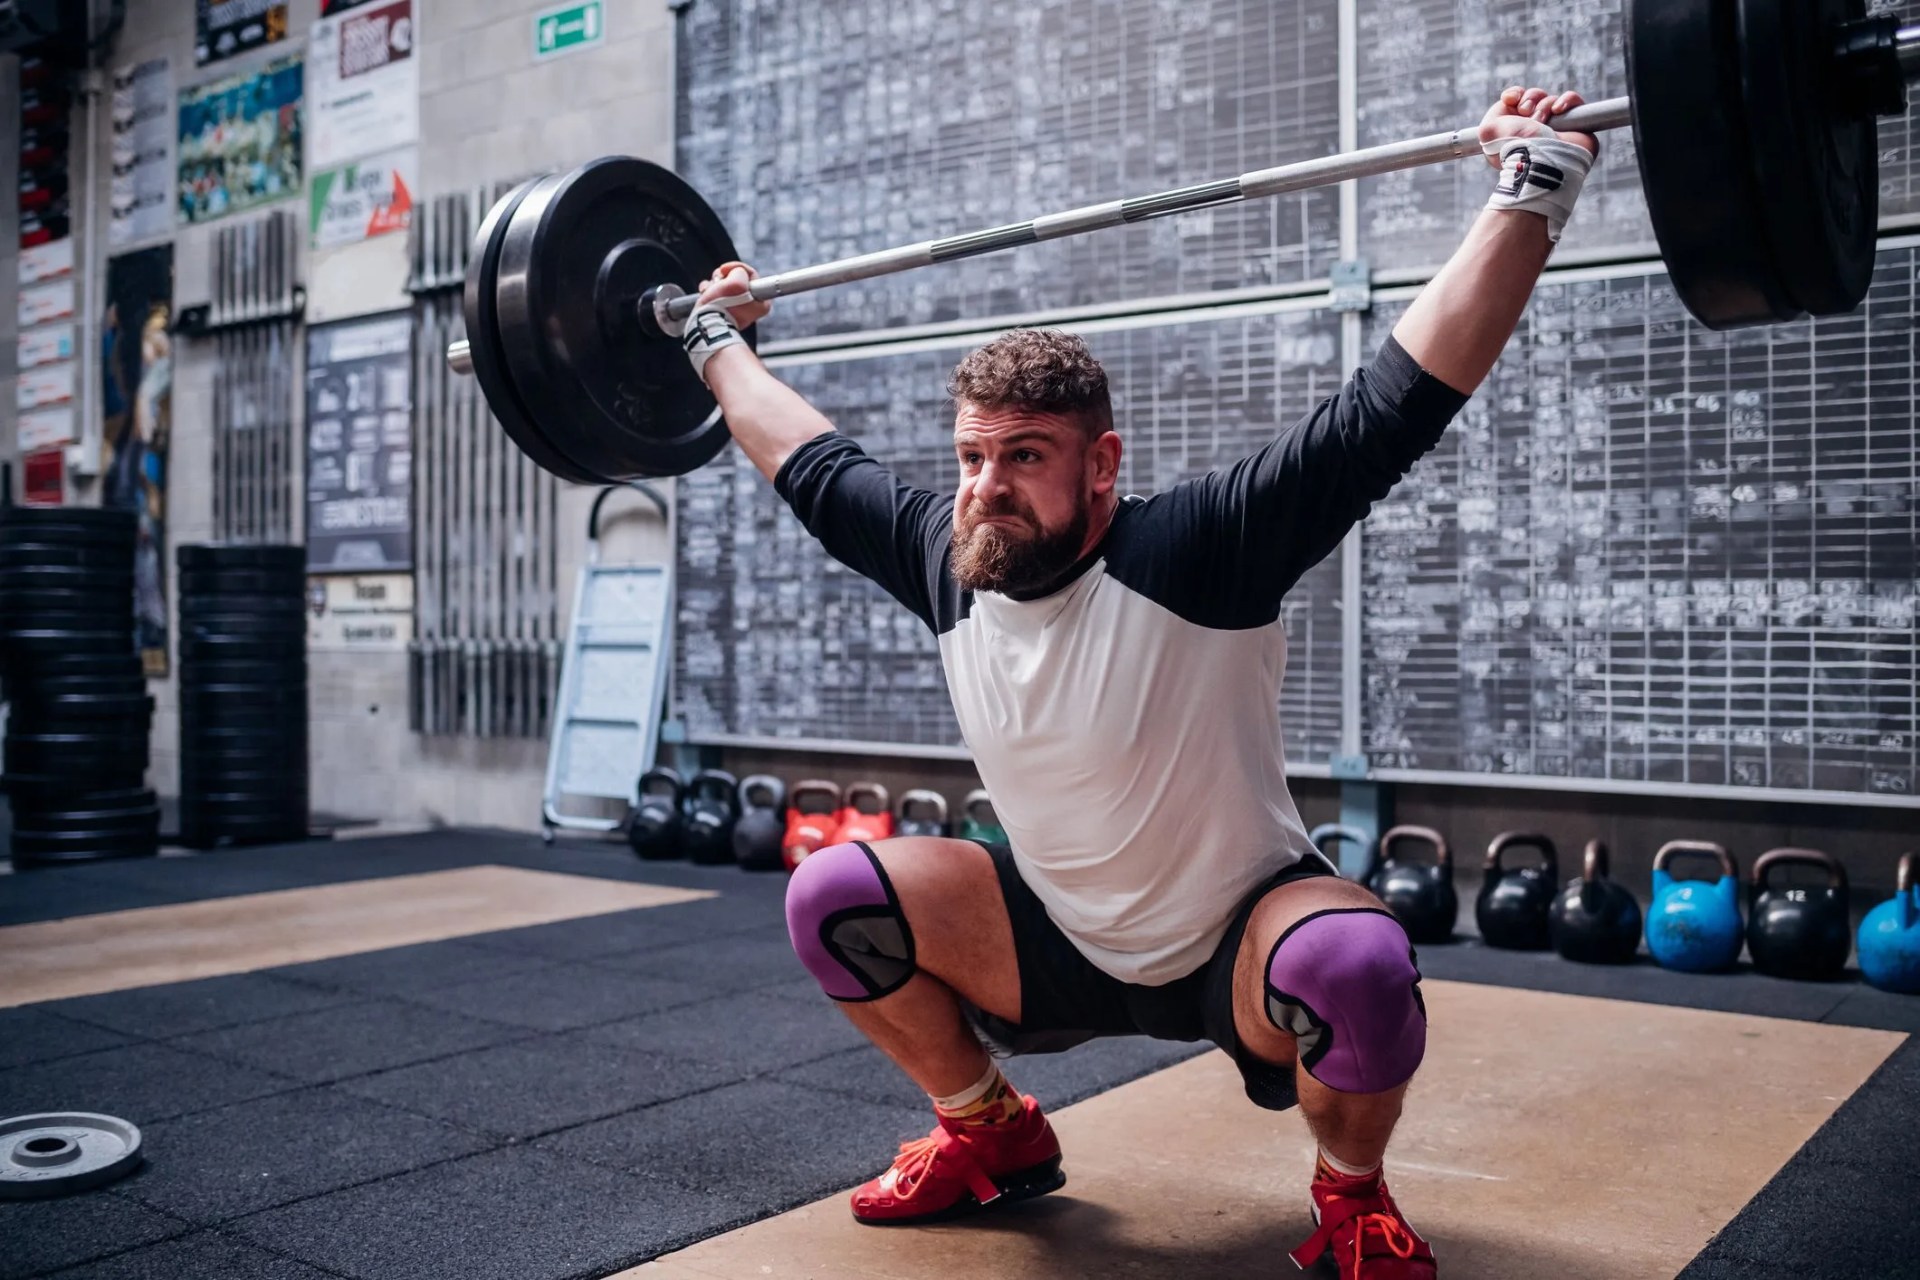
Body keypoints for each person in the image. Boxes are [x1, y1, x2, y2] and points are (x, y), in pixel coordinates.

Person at [666, 86, 1598, 1279]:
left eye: (1024, 457)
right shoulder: (947, 557)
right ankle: (989, 1128)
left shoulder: (1197, 546)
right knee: (833, 895)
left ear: (1100, 465)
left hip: (1238, 937)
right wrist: (709, 338)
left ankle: (1350, 1195)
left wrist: (1534, 191)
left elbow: (1393, 404)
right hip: (1049, 929)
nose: (986, 486)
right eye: (970, 456)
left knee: (1355, 967)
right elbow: (797, 446)